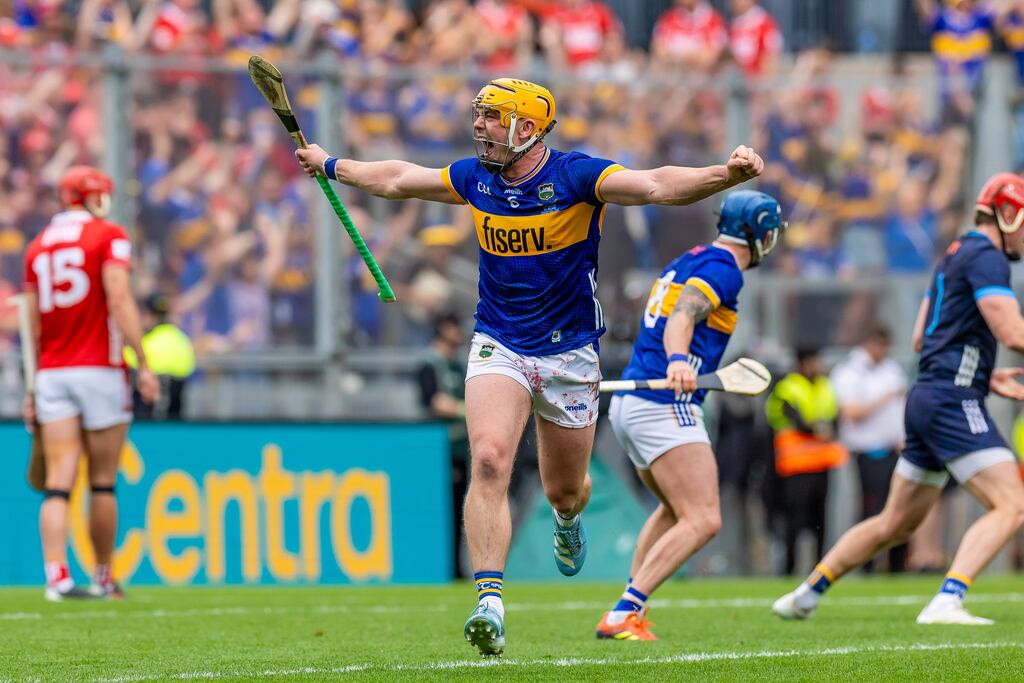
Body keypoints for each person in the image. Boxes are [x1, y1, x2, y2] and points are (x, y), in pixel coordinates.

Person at [294, 77, 764, 655]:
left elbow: (658, 185)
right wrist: (331, 163)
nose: (481, 128)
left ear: (527, 127)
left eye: (493, 118)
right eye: (480, 116)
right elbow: (398, 178)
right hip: (500, 342)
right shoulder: (475, 179)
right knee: (489, 459)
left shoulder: (576, 176)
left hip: (569, 354)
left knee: (564, 492)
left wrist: (725, 175)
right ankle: (489, 599)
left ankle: (568, 521)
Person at [773, 172, 1024, 625]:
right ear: (1009, 215)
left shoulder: (952, 255)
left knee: (896, 523)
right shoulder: (988, 258)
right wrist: (967, 380)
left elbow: (918, 339)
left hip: (927, 395)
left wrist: (981, 376)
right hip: (950, 400)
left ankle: (807, 593)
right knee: (1012, 503)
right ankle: (948, 599)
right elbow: (1010, 330)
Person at [596, 190, 785, 640]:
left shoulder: (694, 257)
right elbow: (683, 315)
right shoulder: (724, 271)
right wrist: (679, 359)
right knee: (703, 519)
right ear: (762, 232)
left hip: (633, 406)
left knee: (672, 509)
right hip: (665, 404)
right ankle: (625, 611)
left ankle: (629, 609)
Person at [22, 166, 160, 601]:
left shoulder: (37, 245)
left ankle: (56, 577)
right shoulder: (108, 235)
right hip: (98, 367)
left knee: (59, 479)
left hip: (51, 370)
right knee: (102, 480)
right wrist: (143, 359)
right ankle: (103, 576)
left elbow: (29, 320)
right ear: (92, 196)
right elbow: (117, 296)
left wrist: (33, 384)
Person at [830, 324, 908, 572]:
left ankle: (897, 565)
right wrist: (885, 397)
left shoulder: (892, 370)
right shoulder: (849, 372)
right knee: (872, 508)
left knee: (900, 508)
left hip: (895, 451)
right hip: (868, 452)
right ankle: (866, 564)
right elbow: (852, 412)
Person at [765, 347, 848, 575]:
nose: (817, 367)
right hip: (796, 466)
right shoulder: (787, 388)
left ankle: (819, 569)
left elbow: (836, 419)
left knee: (820, 519)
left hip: (821, 464)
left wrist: (821, 428)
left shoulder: (825, 386)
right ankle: (788, 569)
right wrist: (818, 428)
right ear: (801, 363)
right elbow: (793, 419)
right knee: (794, 518)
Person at [415, 312, 469, 578]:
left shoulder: (458, 364)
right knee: (443, 510)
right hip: (440, 448)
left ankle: (457, 568)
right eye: (455, 327)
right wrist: (467, 410)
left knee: (460, 510)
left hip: (462, 447)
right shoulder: (429, 363)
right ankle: (445, 568)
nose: (459, 333)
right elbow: (435, 402)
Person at [124, 293, 195, 420]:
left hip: (145, 414)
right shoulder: (182, 338)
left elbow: (125, 363)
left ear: (147, 314)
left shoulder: (143, 341)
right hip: (174, 414)